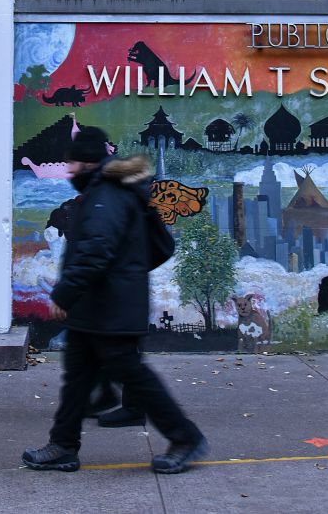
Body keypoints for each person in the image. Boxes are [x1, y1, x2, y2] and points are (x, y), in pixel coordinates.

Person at [22, 127, 206, 473]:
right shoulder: (106, 191)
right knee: (76, 378)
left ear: (88, 162)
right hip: (98, 306)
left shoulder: (107, 194)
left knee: (134, 376)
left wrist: (64, 293)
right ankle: (62, 445)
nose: (69, 169)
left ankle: (185, 437)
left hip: (111, 307)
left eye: (73, 162)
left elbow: (96, 250)